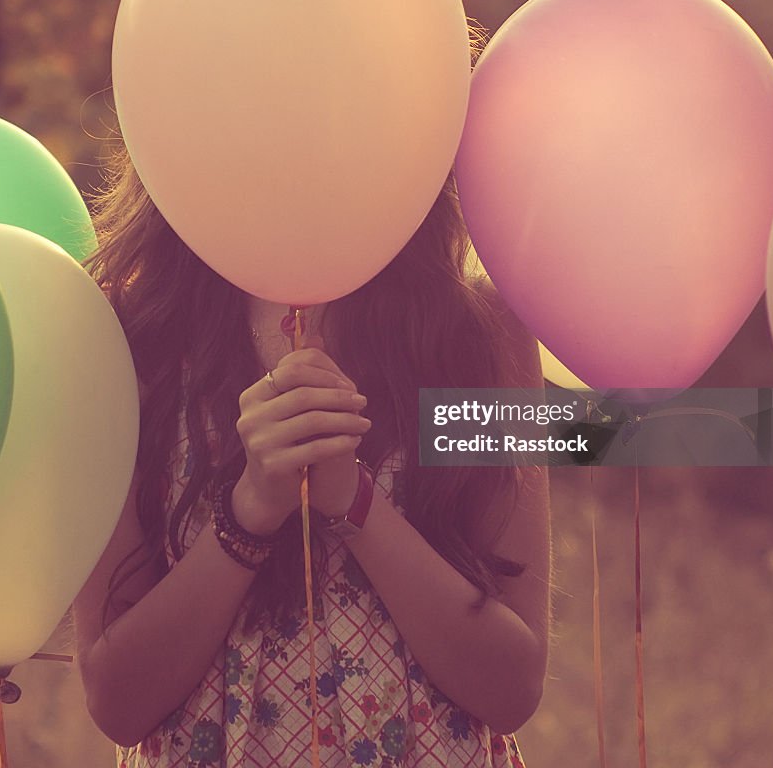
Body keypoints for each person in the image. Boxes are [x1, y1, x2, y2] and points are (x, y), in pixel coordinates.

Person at [74, 144, 551, 768]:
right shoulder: (130, 339)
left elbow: (514, 686)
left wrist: (354, 502)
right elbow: (117, 701)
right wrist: (249, 513)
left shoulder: (483, 333)